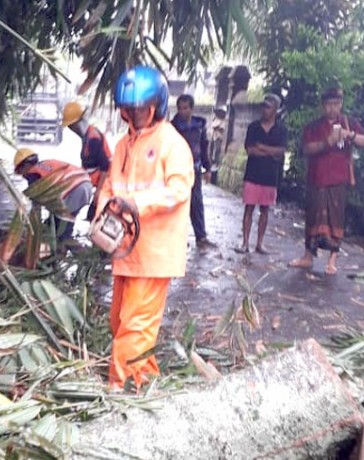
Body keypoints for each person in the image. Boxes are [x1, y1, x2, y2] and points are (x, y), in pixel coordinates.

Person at [95, 66, 194, 390]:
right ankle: (147, 382)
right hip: (125, 250)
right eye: (129, 109)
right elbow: (111, 185)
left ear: (155, 107)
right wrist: (101, 215)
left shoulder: (171, 143)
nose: (135, 115)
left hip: (154, 254)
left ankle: (119, 391)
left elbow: (179, 190)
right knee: (120, 323)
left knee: (134, 327)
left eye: (140, 108)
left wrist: (138, 203)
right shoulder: (124, 145)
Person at [289, 86, 364, 274]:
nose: (332, 108)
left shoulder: (349, 123)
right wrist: (328, 142)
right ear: (322, 106)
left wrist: (349, 135)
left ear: (341, 104)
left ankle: (332, 260)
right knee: (312, 218)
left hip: (338, 180)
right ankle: (308, 256)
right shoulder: (314, 126)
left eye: (336, 104)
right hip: (316, 179)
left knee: (336, 219)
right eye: (328, 104)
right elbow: (307, 149)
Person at [238, 94, 288, 254]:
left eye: (268, 107)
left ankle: (259, 243)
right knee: (249, 208)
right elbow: (251, 150)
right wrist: (270, 152)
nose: (265, 110)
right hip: (252, 173)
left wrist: (263, 148)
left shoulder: (281, 130)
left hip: (270, 176)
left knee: (265, 210)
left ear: (275, 110)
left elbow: (281, 152)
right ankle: (245, 243)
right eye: (264, 106)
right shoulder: (253, 127)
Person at [13, 147, 92, 242]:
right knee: (61, 223)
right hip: (85, 185)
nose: (23, 176)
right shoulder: (46, 164)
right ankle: (73, 250)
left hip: (73, 189)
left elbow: (35, 200)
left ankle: (72, 250)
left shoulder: (33, 173)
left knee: (62, 231)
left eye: (20, 171)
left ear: (25, 165)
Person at [171, 94, 216, 248]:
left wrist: (208, 168)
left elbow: (204, 147)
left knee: (196, 203)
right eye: (180, 108)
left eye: (185, 108)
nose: (183, 112)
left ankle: (201, 237)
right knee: (177, 204)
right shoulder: (173, 126)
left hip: (195, 169)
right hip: (177, 171)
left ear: (191, 108)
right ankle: (177, 238)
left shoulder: (199, 125)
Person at [61, 101, 113, 220]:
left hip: (104, 184)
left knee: (96, 219)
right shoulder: (87, 137)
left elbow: (106, 166)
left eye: (71, 126)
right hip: (93, 183)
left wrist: (98, 193)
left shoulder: (93, 138)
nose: (71, 129)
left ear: (78, 123)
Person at [209, 105, 228, 186]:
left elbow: (221, 128)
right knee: (211, 149)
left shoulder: (223, 121)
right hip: (214, 136)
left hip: (218, 137)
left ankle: (216, 162)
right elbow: (213, 126)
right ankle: (212, 161)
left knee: (217, 150)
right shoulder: (215, 119)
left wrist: (217, 128)